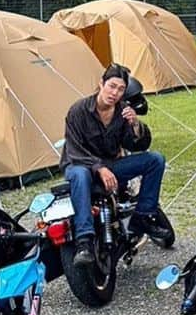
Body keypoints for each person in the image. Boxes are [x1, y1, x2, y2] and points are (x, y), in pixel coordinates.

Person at [60, 63, 168, 265]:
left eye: (120, 89)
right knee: (80, 175)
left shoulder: (122, 111)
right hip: (79, 164)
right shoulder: (78, 110)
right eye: (111, 86)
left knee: (155, 160)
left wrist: (135, 125)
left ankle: (143, 216)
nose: (115, 93)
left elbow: (136, 145)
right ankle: (84, 240)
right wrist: (99, 168)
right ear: (101, 84)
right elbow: (74, 150)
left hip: (111, 165)